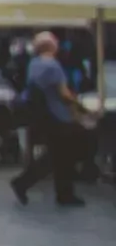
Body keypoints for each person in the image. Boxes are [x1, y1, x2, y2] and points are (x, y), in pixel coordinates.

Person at [12, 31, 86, 207]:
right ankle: (28, 184)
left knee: (57, 156)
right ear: (53, 46)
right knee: (62, 156)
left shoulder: (34, 64)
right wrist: (79, 103)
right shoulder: (53, 66)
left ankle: (58, 192)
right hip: (59, 116)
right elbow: (64, 94)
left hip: (43, 116)